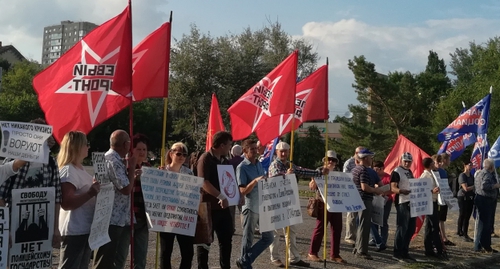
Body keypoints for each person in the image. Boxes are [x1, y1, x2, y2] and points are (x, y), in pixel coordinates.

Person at [0, 118, 62, 248]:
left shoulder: (50, 162)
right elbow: (1, 196)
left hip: (41, 226)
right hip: (14, 225)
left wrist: (55, 228)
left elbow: (56, 197)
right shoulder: (13, 159)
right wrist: (5, 230)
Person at [268, 141, 328, 268]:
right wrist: (285, 176)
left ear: (289, 152)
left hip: (288, 202)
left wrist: (319, 172)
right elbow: (272, 179)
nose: (284, 153)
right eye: (281, 151)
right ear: (277, 152)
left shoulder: (290, 165)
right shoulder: (274, 165)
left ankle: (294, 257)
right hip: (276, 202)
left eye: (286, 151)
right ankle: (275, 258)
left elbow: (303, 171)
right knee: (275, 232)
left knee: (291, 231)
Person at [94, 130, 137, 269]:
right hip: (112, 218)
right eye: (129, 142)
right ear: (125, 144)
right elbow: (125, 189)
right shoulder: (113, 161)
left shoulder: (111, 159)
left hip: (116, 216)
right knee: (106, 258)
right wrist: (131, 171)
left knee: (114, 258)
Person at [57, 131, 100, 269]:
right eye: (85, 144)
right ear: (77, 147)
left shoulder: (78, 169)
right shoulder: (69, 171)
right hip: (74, 230)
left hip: (83, 229)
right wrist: (90, 192)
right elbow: (67, 203)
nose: (88, 147)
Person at [196, 131, 235, 269]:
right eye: (229, 145)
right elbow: (204, 182)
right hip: (207, 208)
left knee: (226, 241)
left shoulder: (225, 160)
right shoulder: (205, 159)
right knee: (205, 243)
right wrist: (221, 196)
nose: (230, 148)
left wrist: (237, 196)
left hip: (223, 209)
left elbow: (229, 182)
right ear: (222, 145)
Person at [235, 139, 271, 269]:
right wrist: (255, 181)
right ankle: (246, 263)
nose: (256, 151)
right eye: (252, 149)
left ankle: (245, 260)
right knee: (248, 238)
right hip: (250, 206)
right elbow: (243, 191)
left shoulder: (259, 164)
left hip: (262, 206)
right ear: (245, 151)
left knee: (269, 237)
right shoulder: (242, 167)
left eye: (256, 148)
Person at [160, 142, 195, 269]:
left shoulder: (189, 173)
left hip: (184, 217)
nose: (181, 156)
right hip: (167, 217)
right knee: (165, 252)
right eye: (178, 153)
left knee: (188, 252)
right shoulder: (162, 171)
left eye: (184, 154)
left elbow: (193, 193)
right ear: (171, 153)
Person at [307, 150, 345, 264]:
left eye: (333, 160)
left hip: (336, 203)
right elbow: (312, 187)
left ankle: (335, 254)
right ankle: (312, 252)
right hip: (323, 203)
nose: (331, 161)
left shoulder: (338, 172)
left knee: (337, 229)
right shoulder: (319, 170)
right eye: (329, 159)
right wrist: (315, 178)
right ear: (325, 160)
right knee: (320, 228)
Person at [351, 149, 383, 260]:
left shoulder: (355, 169)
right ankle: (362, 251)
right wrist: (375, 190)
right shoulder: (363, 170)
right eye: (370, 158)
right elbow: (364, 187)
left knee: (359, 225)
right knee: (365, 226)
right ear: (365, 158)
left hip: (356, 199)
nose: (371, 160)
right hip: (364, 199)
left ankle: (357, 247)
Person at [390, 152, 417, 262]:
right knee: (402, 228)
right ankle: (397, 252)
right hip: (402, 201)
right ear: (401, 160)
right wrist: (401, 191)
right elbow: (393, 188)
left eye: (409, 161)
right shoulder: (397, 171)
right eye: (405, 161)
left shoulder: (409, 171)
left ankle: (405, 251)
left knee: (410, 228)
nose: (407, 163)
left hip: (411, 201)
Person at [420, 157, 446, 260]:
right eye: (433, 163)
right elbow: (421, 190)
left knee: (429, 227)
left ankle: (429, 249)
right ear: (430, 164)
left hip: (434, 201)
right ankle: (438, 249)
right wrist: (432, 191)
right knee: (434, 226)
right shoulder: (425, 175)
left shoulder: (433, 174)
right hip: (429, 202)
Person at [131, 134, 151, 269]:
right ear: (132, 150)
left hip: (143, 218)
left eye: (144, 149)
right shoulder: (125, 166)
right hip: (128, 218)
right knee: (119, 255)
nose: (142, 152)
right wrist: (132, 177)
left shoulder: (148, 167)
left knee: (141, 255)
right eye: (139, 149)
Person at [473, 158, 500, 253]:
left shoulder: (479, 173)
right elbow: (484, 186)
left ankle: (482, 244)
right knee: (485, 224)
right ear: (491, 167)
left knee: (483, 223)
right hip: (485, 200)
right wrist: (495, 186)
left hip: (481, 199)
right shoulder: (487, 174)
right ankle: (483, 245)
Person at [343, 146, 364, 245]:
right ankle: (350, 236)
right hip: (352, 191)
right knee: (351, 215)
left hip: (362, 191)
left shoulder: (364, 162)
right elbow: (345, 177)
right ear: (355, 153)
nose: (361, 155)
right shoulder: (349, 163)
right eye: (359, 153)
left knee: (361, 216)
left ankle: (359, 237)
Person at [369, 161, 392, 251]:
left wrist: (384, 193)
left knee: (383, 221)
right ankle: (375, 239)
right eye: (374, 170)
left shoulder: (388, 177)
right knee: (374, 219)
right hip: (375, 200)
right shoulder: (373, 176)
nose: (376, 171)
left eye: (378, 169)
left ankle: (383, 240)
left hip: (386, 201)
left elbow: (392, 189)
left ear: (382, 168)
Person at [434, 153, 455, 246]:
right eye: (449, 160)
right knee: (438, 218)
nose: (450, 162)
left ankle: (444, 237)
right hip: (439, 198)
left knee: (442, 218)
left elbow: (445, 184)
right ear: (445, 160)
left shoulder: (444, 171)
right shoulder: (438, 171)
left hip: (444, 197)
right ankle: (439, 238)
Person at [457, 161, 475, 242]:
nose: (471, 166)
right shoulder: (462, 175)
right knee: (462, 214)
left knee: (467, 215)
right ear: (465, 165)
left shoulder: (471, 176)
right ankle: (460, 231)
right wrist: (474, 186)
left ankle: (465, 232)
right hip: (462, 196)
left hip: (470, 197)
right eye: (469, 165)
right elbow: (465, 188)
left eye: (472, 165)